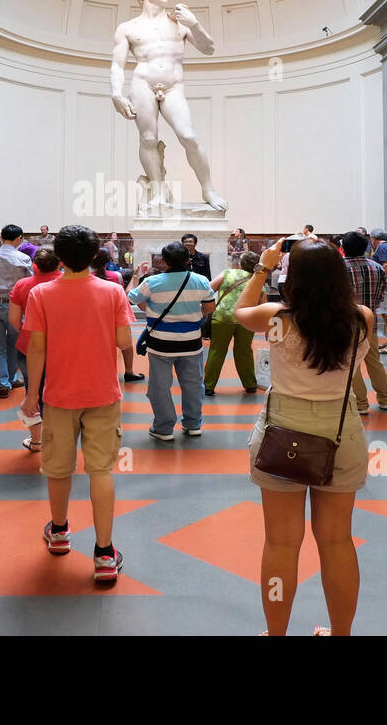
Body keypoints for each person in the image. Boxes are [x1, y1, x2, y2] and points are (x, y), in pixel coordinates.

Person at [235, 238, 371, 636]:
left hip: (283, 431)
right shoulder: (361, 318)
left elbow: (239, 311)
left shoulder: (275, 317)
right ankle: (341, 633)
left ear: (293, 278)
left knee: (280, 543)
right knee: (337, 542)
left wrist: (262, 267)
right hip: (341, 431)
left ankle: (276, 632)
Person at [21, 225, 135, 583]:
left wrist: (30, 395)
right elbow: (123, 340)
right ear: (94, 255)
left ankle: (58, 532)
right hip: (103, 393)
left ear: (59, 254)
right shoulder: (112, 290)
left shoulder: (41, 294)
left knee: (58, 467)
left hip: (58, 395)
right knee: (101, 470)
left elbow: (36, 348)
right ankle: (103, 553)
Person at [109, 0, 226, 210]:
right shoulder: (127, 28)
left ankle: (208, 189)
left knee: (188, 136)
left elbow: (209, 48)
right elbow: (117, 65)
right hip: (143, 83)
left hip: (174, 86)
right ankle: (158, 190)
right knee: (148, 138)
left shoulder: (179, 22)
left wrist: (195, 24)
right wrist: (116, 93)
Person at [128, 241, 215, 440]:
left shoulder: (152, 282)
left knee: (160, 386)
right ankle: (193, 424)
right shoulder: (201, 280)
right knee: (193, 384)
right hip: (191, 343)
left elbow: (132, 299)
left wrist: (136, 276)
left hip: (161, 345)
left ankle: (164, 428)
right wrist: (194, 316)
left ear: (164, 261)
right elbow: (210, 307)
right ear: (187, 259)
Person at [9, 247, 63, 451]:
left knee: (32, 392)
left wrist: (27, 332)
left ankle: (36, 440)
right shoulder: (66, 284)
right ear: (60, 264)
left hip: (29, 345)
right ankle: (58, 438)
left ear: (34, 265)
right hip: (62, 347)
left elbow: (14, 320)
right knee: (59, 392)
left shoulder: (23, 285)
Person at [339, 232, 387, 414]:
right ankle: (385, 398)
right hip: (370, 323)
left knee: (351, 364)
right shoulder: (377, 268)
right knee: (374, 361)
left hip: (346, 324)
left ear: (344, 247)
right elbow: (380, 295)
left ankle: (361, 403)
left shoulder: (339, 268)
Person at [0, 223, 33, 398]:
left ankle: (2, 384)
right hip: (16, 306)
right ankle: (11, 377)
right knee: (15, 344)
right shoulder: (24, 259)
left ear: (1, 238)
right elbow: (29, 283)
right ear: (19, 239)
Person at [204, 250, 260, 395]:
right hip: (247, 319)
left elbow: (208, 289)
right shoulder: (258, 279)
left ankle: (209, 386)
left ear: (241, 263)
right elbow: (263, 303)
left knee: (217, 351)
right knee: (245, 351)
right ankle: (250, 384)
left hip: (223, 317)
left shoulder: (227, 274)